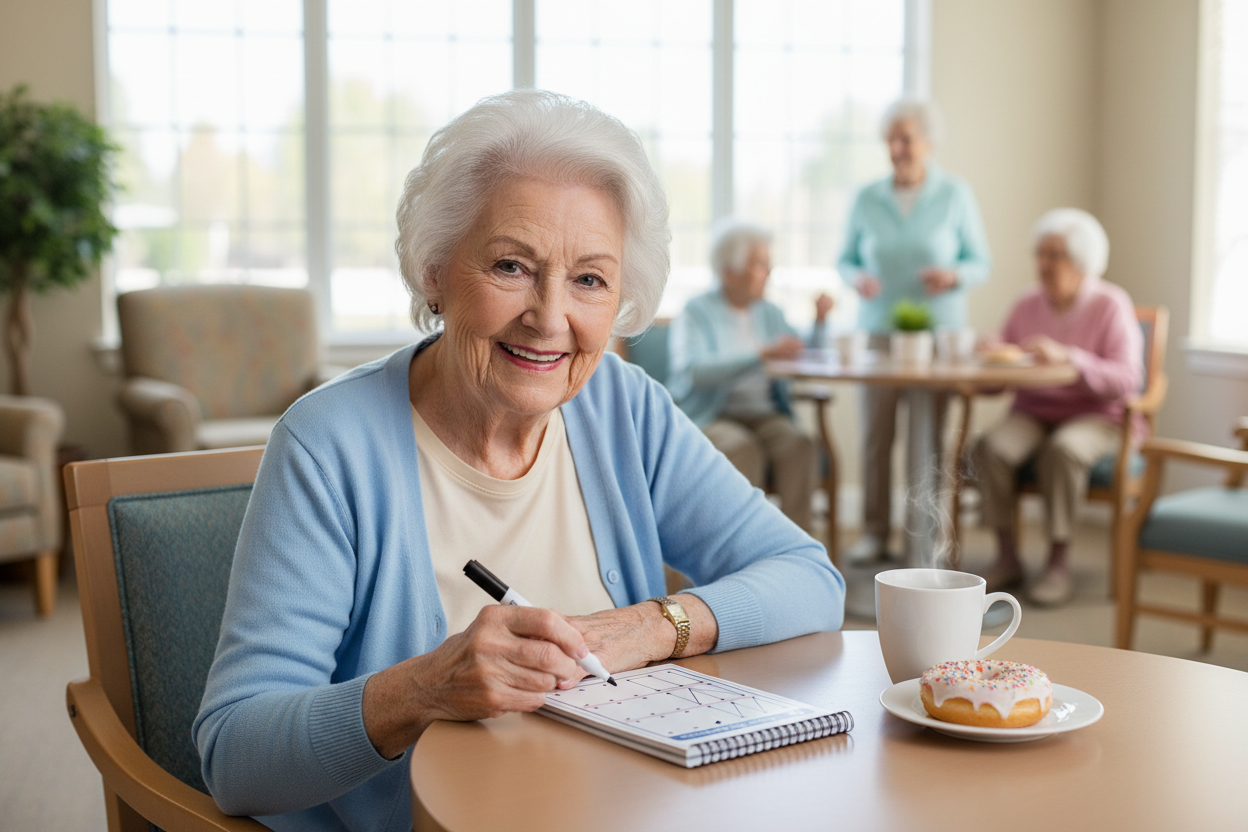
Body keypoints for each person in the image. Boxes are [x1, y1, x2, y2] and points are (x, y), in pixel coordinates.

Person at [193, 90, 845, 831]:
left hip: (616, 809)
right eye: (511, 265)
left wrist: (648, 626)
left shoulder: (623, 408)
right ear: (435, 269)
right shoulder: (329, 445)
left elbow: (810, 579)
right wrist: (423, 689)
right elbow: (235, 755)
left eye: (590, 279)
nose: (549, 317)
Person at [836, 95, 991, 563]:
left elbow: (980, 261)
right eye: (890, 140)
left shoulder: (955, 194)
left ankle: (921, 542)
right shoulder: (868, 197)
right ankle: (874, 533)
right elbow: (845, 259)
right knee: (875, 438)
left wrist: (955, 276)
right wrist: (856, 278)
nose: (897, 149)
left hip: (935, 336)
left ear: (927, 143)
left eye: (905, 139)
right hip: (878, 333)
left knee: (927, 438)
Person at [971, 208, 1142, 605]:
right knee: (990, 449)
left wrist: (1070, 357)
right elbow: (1001, 379)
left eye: (1055, 255)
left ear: (1082, 263)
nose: (1043, 264)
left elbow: (1127, 379)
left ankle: (1058, 562)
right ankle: (1007, 556)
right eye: (1040, 254)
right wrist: (990, 359)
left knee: (1063, 451)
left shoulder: (1111, 304)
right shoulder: (1026, 303)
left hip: (1095, 416)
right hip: (1033, 410)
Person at [667, 219, 834, 533]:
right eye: (759, 264)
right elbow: (692, 370)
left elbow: (803, 351)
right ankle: (743, 550)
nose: (768, 272)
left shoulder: (769, 312)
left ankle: (797, 555)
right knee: (742, 448)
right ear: (729, 271)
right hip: (711, 414)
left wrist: (820, 322)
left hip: (765, 414)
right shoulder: (696, 311)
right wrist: (760, 355)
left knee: (799, 445)